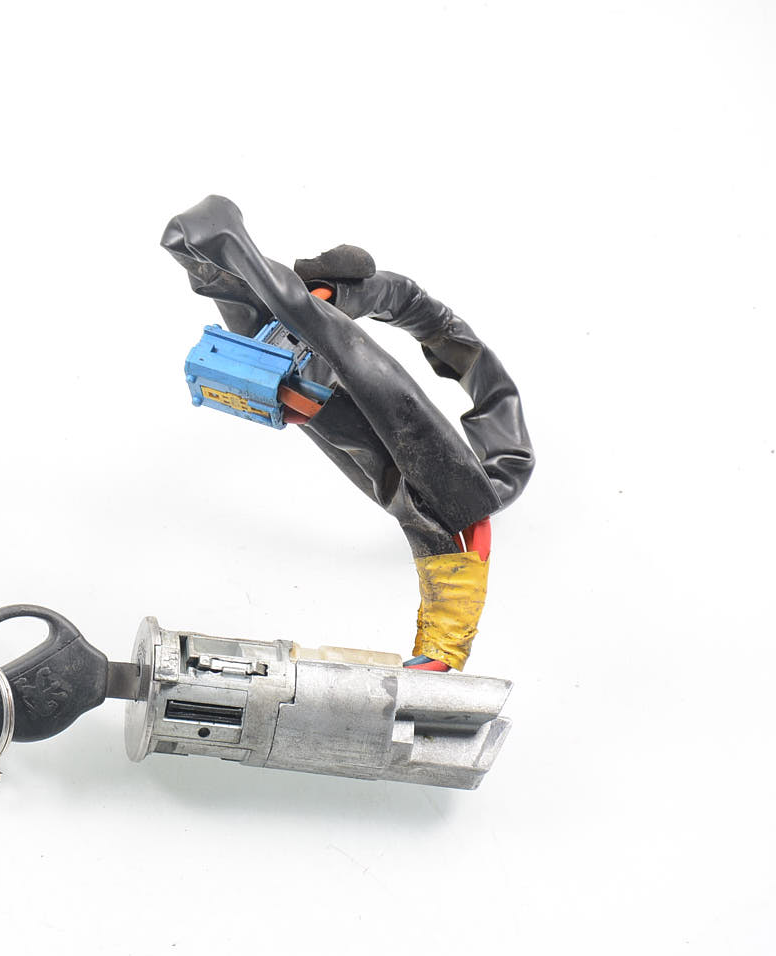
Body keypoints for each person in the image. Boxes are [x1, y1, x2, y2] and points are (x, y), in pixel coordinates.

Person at [162, 195, 533, 672]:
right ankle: (222, 253)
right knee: (318, 348)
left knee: (337, 364)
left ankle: (220, 253)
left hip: (307, 335)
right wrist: (343, 298)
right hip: (301, 329)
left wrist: (337, 298)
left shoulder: (475, 489)